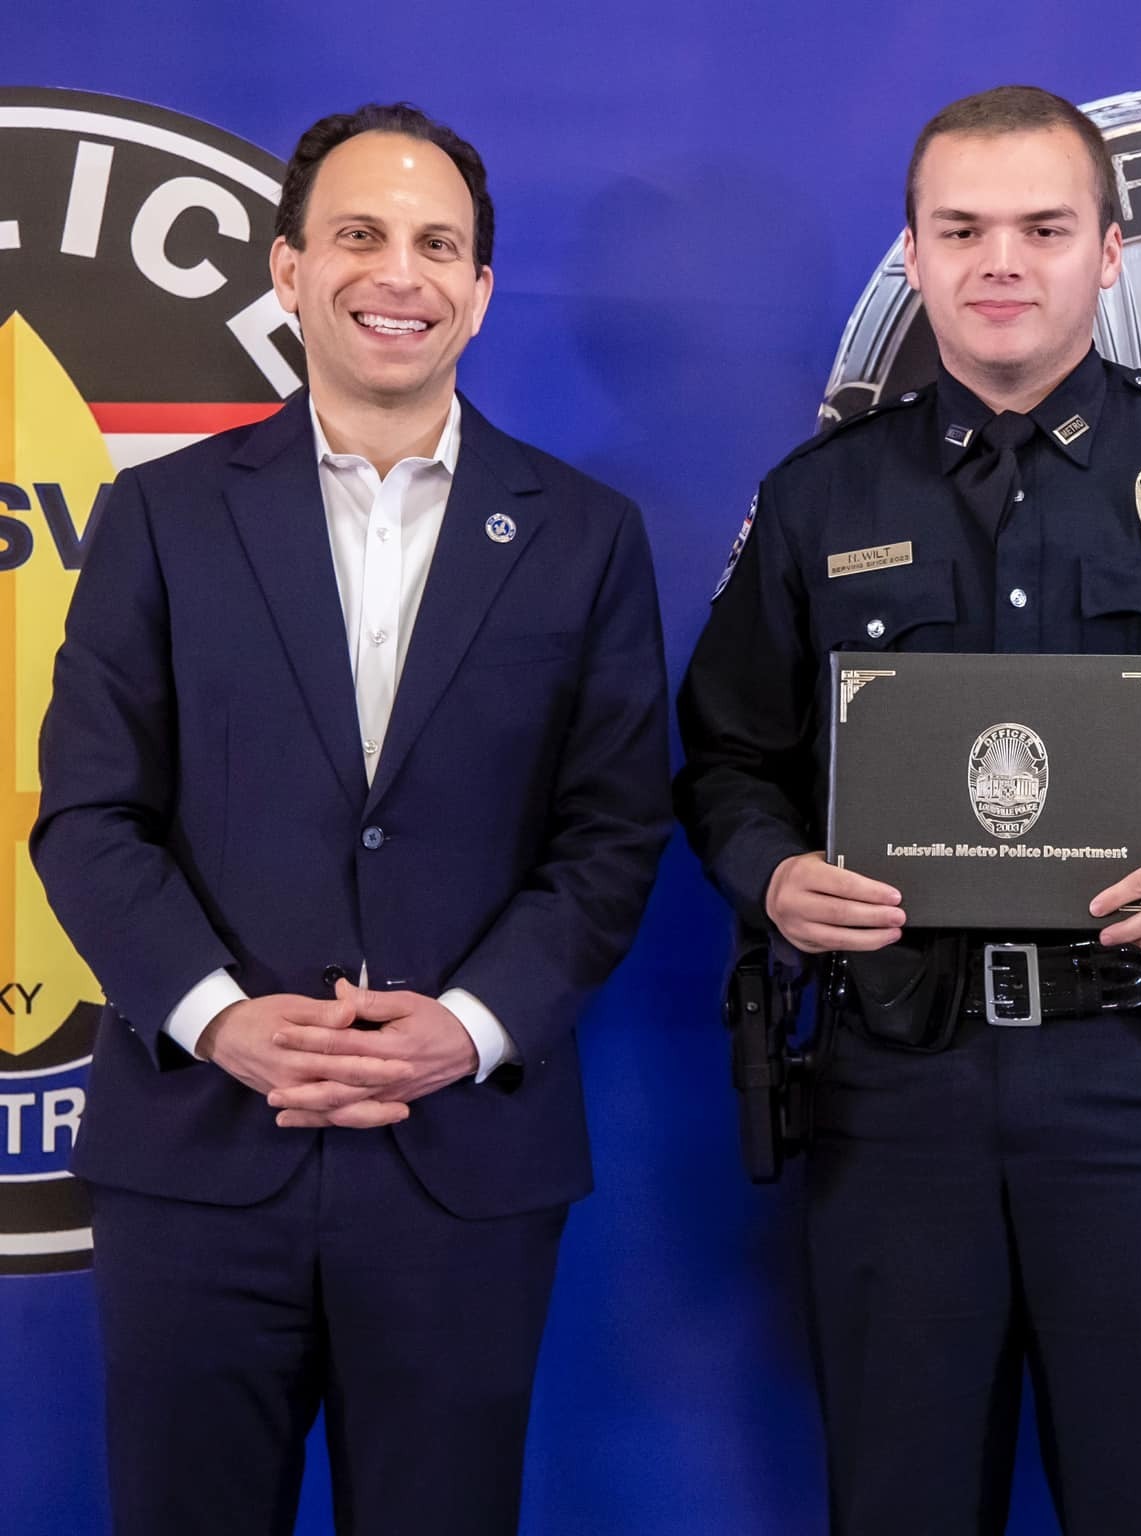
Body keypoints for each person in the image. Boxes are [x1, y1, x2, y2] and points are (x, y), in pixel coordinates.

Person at [676, 84, 1141, 1534]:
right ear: (915, 254)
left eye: (1041, 227)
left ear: (1110, 252)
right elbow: (720, 756)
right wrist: (769, 877)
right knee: (898, 1501)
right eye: (962, 228)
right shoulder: (821, 499)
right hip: (900, 1085)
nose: (1000, 261)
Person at [32, 104, 670, 1536]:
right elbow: (89, 815)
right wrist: (217, 1016)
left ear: (484, 291)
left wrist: (473, 1025)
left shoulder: (583, 535)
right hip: (200, 1156)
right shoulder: (162, 520)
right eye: (362, 236)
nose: (402, 272)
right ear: (289, 271)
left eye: (439, 244)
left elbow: (613, 835)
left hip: (464, 1167)